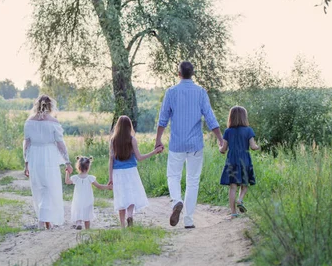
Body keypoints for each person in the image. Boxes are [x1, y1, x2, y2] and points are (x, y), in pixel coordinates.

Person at [155, 61, 223, 229]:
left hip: (177, 143)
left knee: (173, 176)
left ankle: (177, 201)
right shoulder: (200, 92)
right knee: (193, 181)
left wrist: (158, 139)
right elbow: (210, 118)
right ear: (192, 74)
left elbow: (163, 119)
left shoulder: (171, 92)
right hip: (195, 145)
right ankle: (189, 220)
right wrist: (221, 139)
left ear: (179, 74)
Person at [23, 95, 72, 229]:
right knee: (49, 188)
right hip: (49, 155)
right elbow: (60, 144)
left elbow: (26, 144)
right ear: (50, 106)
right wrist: (67, 162)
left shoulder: (29, 122)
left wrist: (26, 163)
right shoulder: (53, 122)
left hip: (34, 155)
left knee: (39, 187)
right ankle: (44, 219)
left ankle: (44, 219)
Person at [108, 115, 163, 228]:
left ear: (117, 126)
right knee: (131, 195)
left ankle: (122, 225)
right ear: (129, 126)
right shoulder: (132, 140)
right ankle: (130, 215)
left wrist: (110, 178)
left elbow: (111, 160)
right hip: (131, 171)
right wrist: (154, 152)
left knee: (121, 197)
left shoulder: (113, 140)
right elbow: (139, 157)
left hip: (117, 172)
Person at [219, 106, 260, 219]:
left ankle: (233, 213)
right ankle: (240, 199)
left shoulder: (228, 131)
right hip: (245, 160)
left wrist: (220, 149)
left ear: (231, 117)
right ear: (244, 117)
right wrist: (258, 147)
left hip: (232, 161)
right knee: (245, 184)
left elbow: (223, 149)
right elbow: (253, 146)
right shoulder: (248, 130)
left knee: (232, 187)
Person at [65, 156, 112, 230]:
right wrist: (107, 187)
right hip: (88, 200)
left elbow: (67, 181)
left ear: (78, 167)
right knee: (87, 215)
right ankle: (87, 229)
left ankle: (78, 224)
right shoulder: (90, 178)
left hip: (78, 200)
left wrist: (67, 172)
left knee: (78, 212)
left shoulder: (75, 178)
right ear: (88, 167)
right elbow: (99, 186)